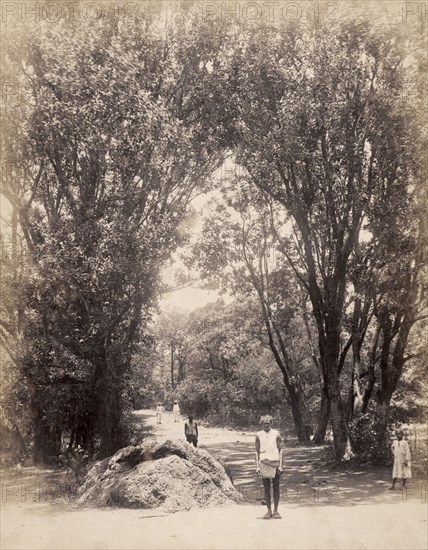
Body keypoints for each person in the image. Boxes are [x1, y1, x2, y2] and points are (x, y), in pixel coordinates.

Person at [255, 415, 283, 519]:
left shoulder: (276, 434)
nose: (266, 424)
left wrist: (281, 465)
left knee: (276, 487)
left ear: (271, 423)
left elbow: (281, 450)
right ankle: (269, 511)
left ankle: (276, 511)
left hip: (275, 462)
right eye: (264, 423)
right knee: (266, 488)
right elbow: (256, 451)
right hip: (264, 462)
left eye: (268, 423)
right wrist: (257, 466)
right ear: (261, 423)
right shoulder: (258, 435)